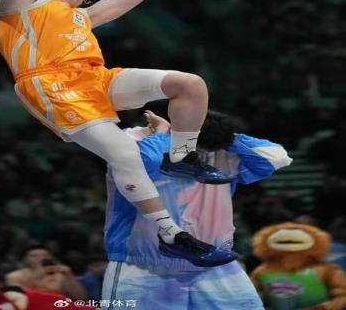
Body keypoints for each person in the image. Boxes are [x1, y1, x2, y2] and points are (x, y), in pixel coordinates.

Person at [0, 0, 236, 266]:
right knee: (124, 154)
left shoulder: (82, 16)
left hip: (96, 77)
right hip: (51, 84)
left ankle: (182, 157)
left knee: (189, 84)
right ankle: (172, 235)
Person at [102, 110, 293, 309]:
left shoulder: (222, 151)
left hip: (215, 263)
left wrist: (225, 137)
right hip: (144, 265)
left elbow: (277, 158)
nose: (201, 155)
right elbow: (143, 161)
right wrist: (164, 134)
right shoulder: (137, 138)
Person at [4, 245, 87, 301]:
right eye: (34, 256)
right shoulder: (14, 276)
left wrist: (69, 275)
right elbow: (16, 299)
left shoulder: (60, 275)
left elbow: (81, 298)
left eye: (45, 255)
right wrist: (38, 274)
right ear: (25, 260)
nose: (41, 258)